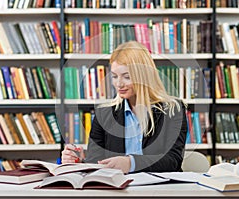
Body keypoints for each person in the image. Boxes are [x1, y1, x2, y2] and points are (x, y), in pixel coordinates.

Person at [61, 41, 187, 174]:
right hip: (117, 190)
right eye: (114, 76)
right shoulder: (104, 114)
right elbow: (96, 162)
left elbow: (173, 160)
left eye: (126, 77)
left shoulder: (174, 110)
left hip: (160, 190)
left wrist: (130, 163)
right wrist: (80, 162)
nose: (119, 84)